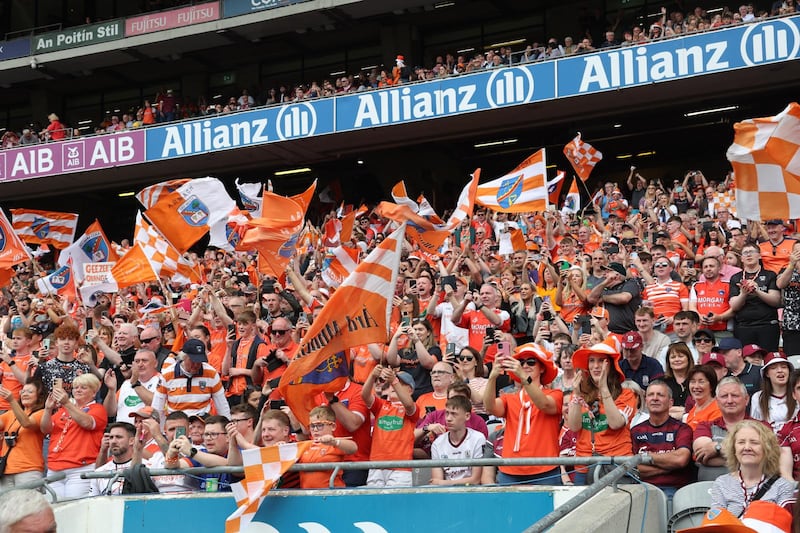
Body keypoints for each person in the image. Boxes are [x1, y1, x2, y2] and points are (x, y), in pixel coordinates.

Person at [483, 342, 562, 485]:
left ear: (542, 368)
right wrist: (492, 377)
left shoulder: (555, 394)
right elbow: (489, 407)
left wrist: (524, 378)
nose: (525, 366)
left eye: (531, 362)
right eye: (521, 362)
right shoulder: (510, 398)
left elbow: (544, 404)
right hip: (510, 471)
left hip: (545, 470)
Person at [566, 342, 638, 485]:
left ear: (611, 365)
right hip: (584, 465)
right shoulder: (580, 393)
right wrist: (577, 395)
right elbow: (574, 426)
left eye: (601, 361)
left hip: (617, 464)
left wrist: (603, 387)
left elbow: (616, 423)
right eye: (591, 361)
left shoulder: (627, 394)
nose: (596, 366)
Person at [40, 373, 107, 500]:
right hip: (55, 467)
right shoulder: (63, 410)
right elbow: (45, 429)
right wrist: (48, 409)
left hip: (80, 468)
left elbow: (87, 423)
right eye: (76, 387)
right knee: (55, 509)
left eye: (83, 387)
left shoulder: (98, 408)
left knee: (75, 509)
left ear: (93, 393)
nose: (78, 390)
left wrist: (66, 403)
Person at [710, 420, 795, 517]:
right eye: (741, 442)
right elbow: (716, 524)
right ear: (734, 448)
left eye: (754, 442)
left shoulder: (783, 486)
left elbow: (783, 526)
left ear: (767, 448)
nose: (747, 447)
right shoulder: (722, 483)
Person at [630, 381, 694, 499]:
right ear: (646, 401)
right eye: (651, 395)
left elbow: (681, 459)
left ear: (670, 403)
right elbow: (635, 468)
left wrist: (647, 457)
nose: (655, 398)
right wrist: (671, 465)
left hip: (676, 492)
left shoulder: (682, 429)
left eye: (660, 395)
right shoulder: (636, 431)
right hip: (644, 490)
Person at [361, 366, 419, 487]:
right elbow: (365, 396)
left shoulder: (413, 407)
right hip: (377, 464)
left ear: (410, 390)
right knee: (375, 503)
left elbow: (408, 404)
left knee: (396, 504)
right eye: (392, 383)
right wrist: (372, 376)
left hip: (400, 467)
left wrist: (393, 380)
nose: (394, 386)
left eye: (401, 383)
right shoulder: (381, 405)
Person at [151, 339, 231, 419]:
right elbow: (157, 406)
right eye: (192, 361)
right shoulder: (167, 375)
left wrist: (227, 425)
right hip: (177, 423)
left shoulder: (211, 373)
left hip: (202, 423)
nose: (196, 365)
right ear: (183, 357)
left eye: (199, 361)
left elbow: (222, 405)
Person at [693, 377, 752, 482]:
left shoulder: (761, 427)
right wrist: (746, 457)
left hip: (750, 493)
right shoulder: (705, 426)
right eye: (724, 396)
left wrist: (717, 447)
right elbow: (703, 456)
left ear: (746, 399)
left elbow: (764, 457)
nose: (729, 401)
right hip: (708, 492)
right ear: (717, 401)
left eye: (735, 396)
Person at [728, 243, 781, 350]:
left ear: (759, 256)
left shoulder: (770, 275)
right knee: (747, 360)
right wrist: (743, 294)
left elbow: (776, 301)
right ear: (741, 258)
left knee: (768, 359)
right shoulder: (735, 278)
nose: (748, 255)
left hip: (767, 325)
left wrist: (757, 291)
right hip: (744, 326)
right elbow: (734, 306)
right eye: (745, 253)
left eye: (752, 252)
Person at [430, 395, 486, 486]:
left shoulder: (478, 439)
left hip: (471, 492)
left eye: (454, 414)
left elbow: (476, 480)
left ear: (467, 416)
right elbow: (437, 483)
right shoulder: (437, 443)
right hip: (447, 493)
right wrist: (442, 483)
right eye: (447, 413)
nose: (448, 418)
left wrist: (444, 483)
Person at [297, 406, 357, 489]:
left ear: (333, 427)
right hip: (307, 495)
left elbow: (353, 448)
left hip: (331, 494)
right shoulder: (306, 445)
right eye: (312, 426)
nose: (315, 429)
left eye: (320, 425)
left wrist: (334, 442)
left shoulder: (334, 443)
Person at [0, 380, 46, 489]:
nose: (25, 394)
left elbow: (26, 423)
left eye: (30, 392)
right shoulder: (10, 414)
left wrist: (11, 400)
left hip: (29, 470)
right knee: (6, 506)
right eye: (23, 391)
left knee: (27, 505)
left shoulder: (42, 413)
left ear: (39, 396)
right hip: (6, 470)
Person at [103, 349, 162, 422]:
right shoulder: (126, 383)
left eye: (144, 361)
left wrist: (135, 383)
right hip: (123, 430)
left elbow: (156, 404)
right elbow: (109, 412)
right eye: (137, 361)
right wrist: (111, 390)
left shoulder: (161, 380)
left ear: (155, 363)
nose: (140, 364)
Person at [88, 422, 144, 496]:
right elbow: (92, 502)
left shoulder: (147, 467)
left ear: (132, 441)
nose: (113, 441)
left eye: (119, 437)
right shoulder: (99, 472)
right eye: (111, 437)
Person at [586, 262, 642, 334]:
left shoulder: (629, 284)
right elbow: (590, 299)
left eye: (607, 272)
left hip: (628, 332)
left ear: (617, 275)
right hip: (607, 333)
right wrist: (605, 282)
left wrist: (604, 298)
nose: (604, 274)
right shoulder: (603, 288)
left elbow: (624, 298)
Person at [750, 352, 796, 432]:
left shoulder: (797, 394)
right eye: (774, 368)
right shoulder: (757, 397)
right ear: (767, 373)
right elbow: (754, 427)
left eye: (784, 367)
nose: (780, 370)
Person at [776, 240, 800, 355]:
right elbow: (780, 284)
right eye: (796, 252)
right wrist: (791, 265)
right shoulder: (785, 270)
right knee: (793, 363)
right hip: (791, 326)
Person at [662, 342, 695, 420]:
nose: (677, 360)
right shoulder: (662, 383)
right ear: (668, 361)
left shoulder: (695, 380)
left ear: (688, 358)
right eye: (673, 357)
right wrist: (685, 411)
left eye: (680, 356)